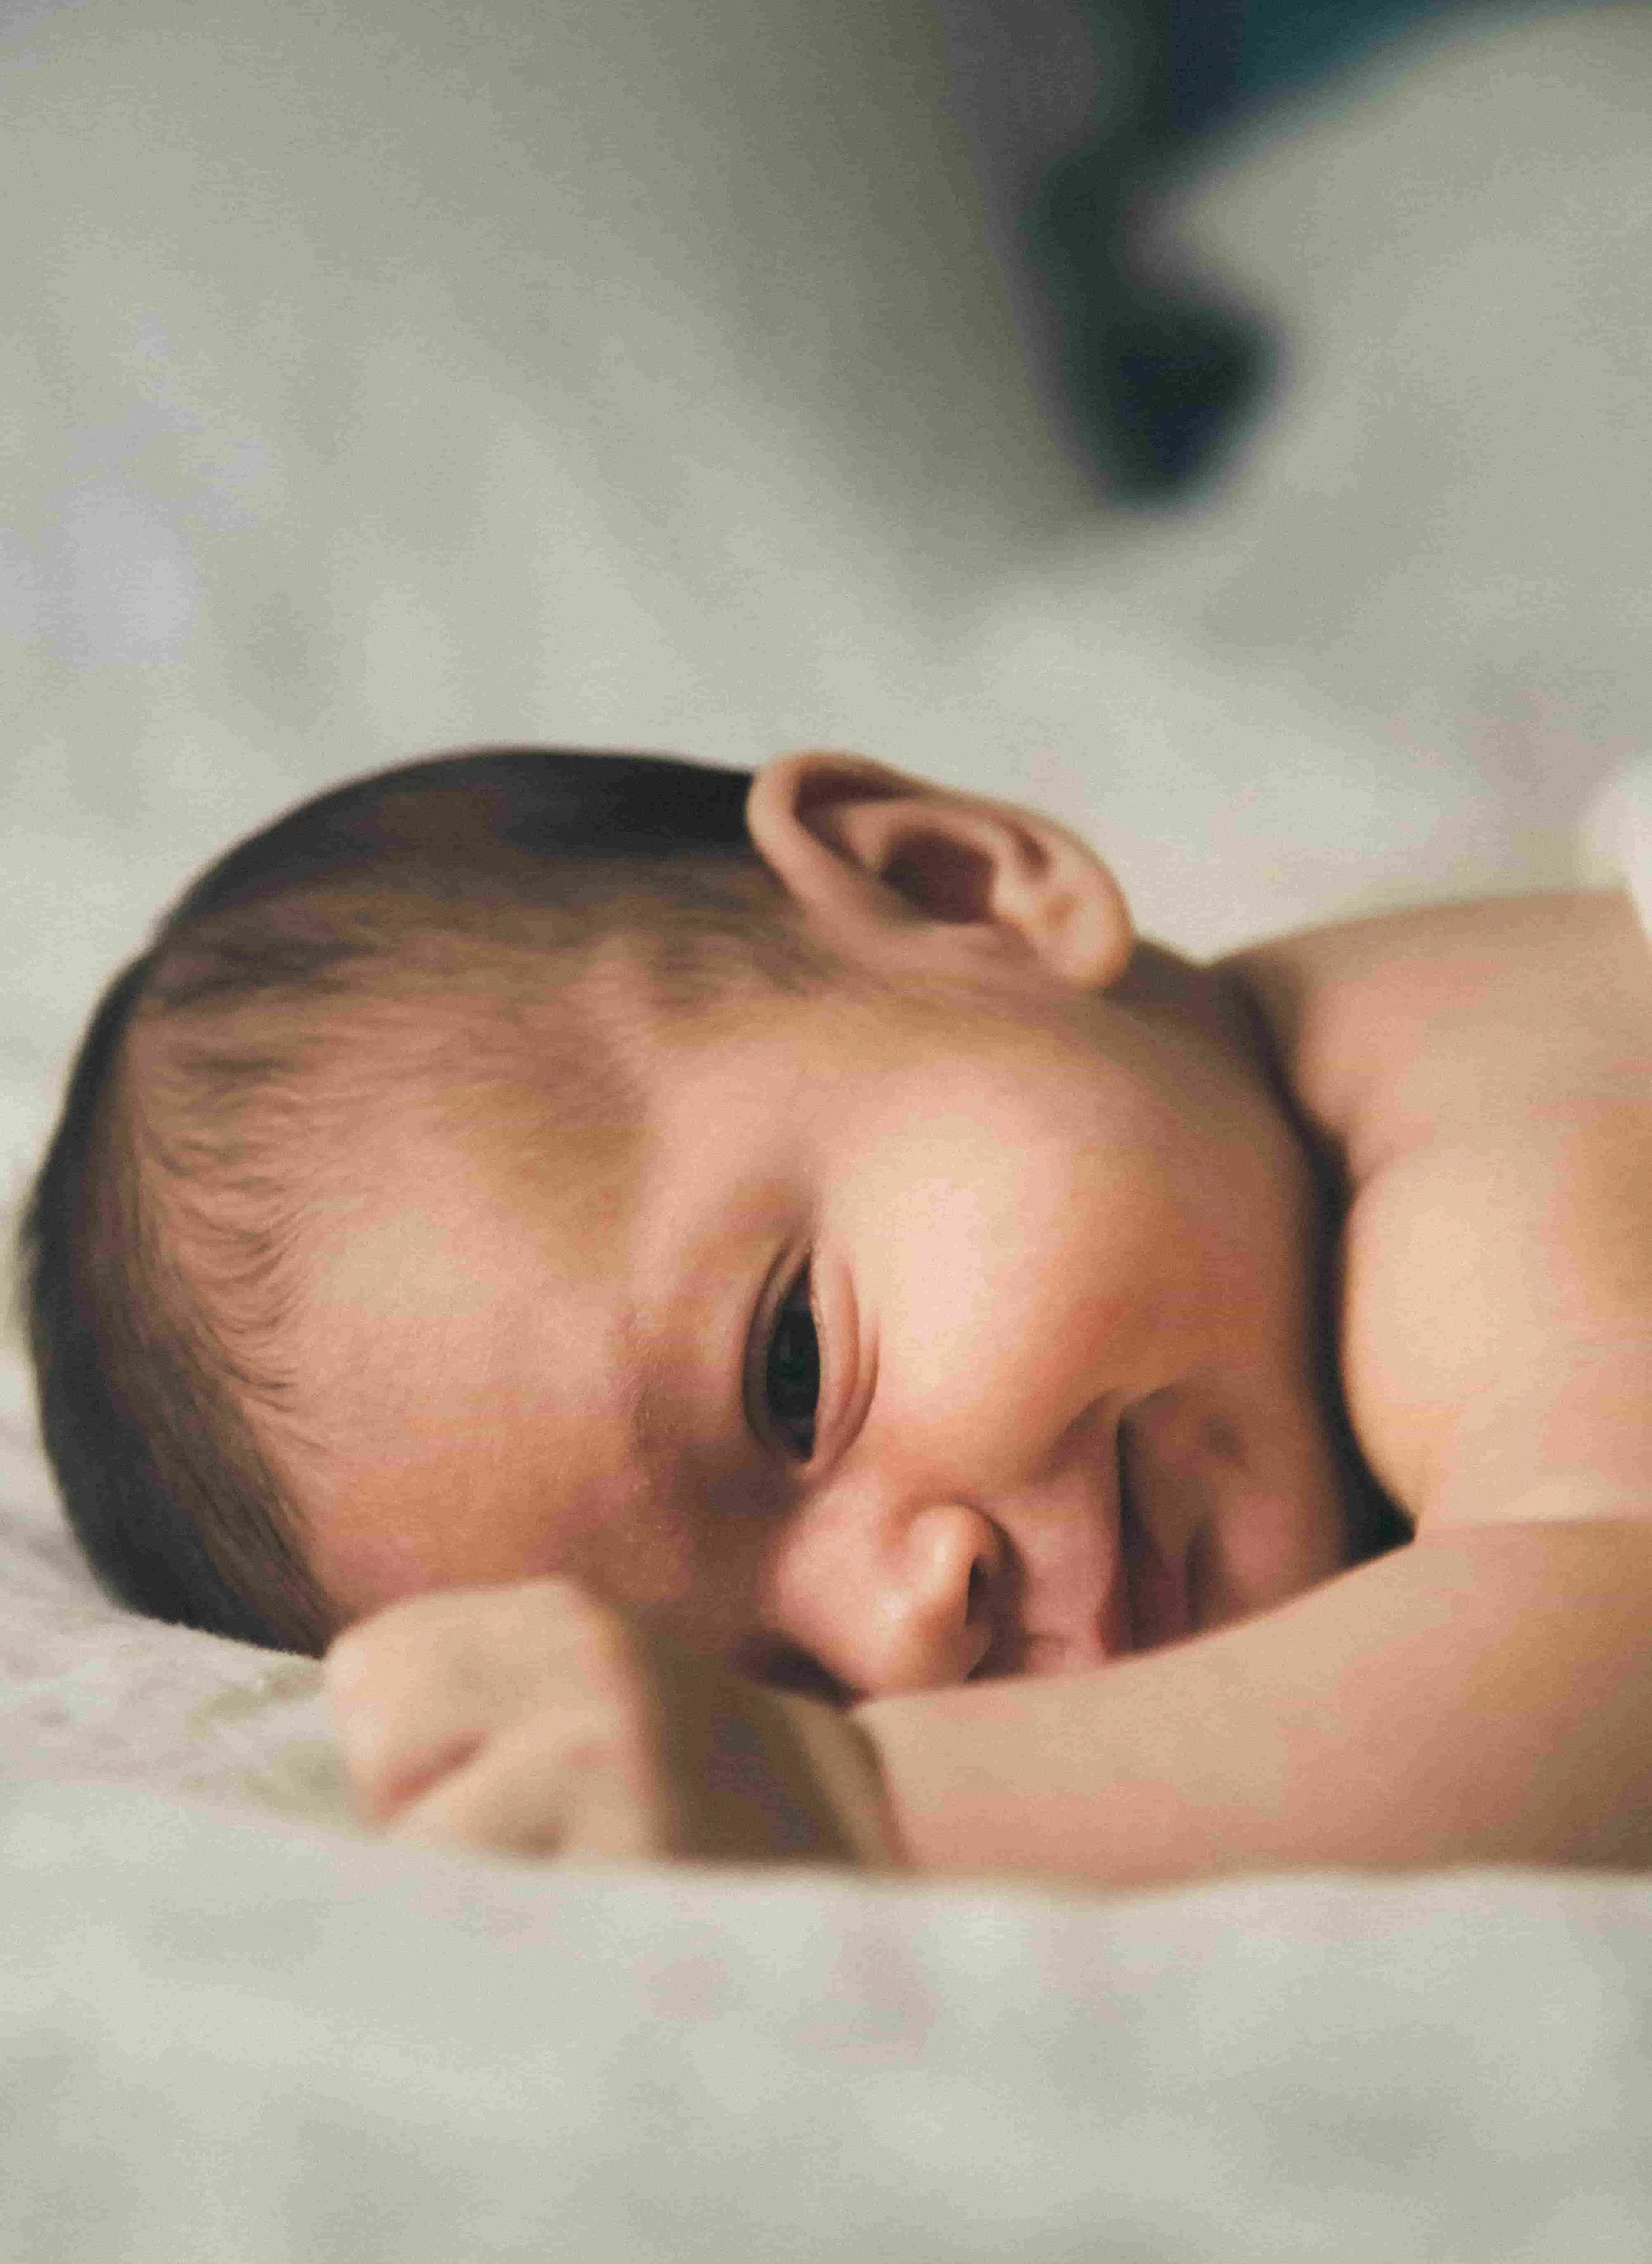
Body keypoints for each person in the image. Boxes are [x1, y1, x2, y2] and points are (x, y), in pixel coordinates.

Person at [19, 746, 1652, 1890]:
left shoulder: (1482, 1152)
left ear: (957, 892)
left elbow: (1608, 1631)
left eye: (795, 1378)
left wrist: (846, 1798)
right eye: (789, 1692)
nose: (904, 1627)